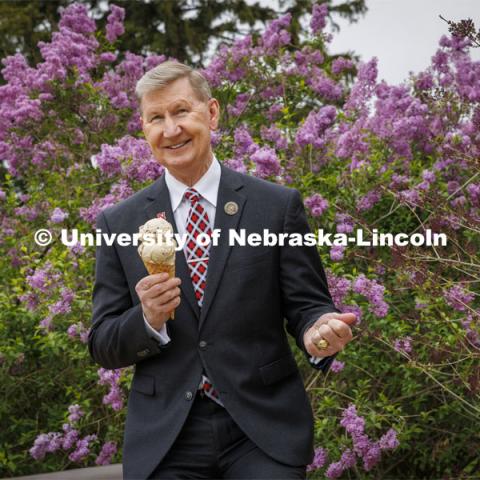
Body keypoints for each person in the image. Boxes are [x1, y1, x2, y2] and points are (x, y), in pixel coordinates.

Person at [89, 61, 356, 480]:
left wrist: (317, 331)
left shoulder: (277, 207)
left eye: (181, 111)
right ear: (144, 129)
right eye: (156, 118)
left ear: (212, 113)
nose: (170, 129)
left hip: (262, 429)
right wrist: (147, 319)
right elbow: (103, 343)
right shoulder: (118, 224)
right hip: (168, 439)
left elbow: (309, 306)